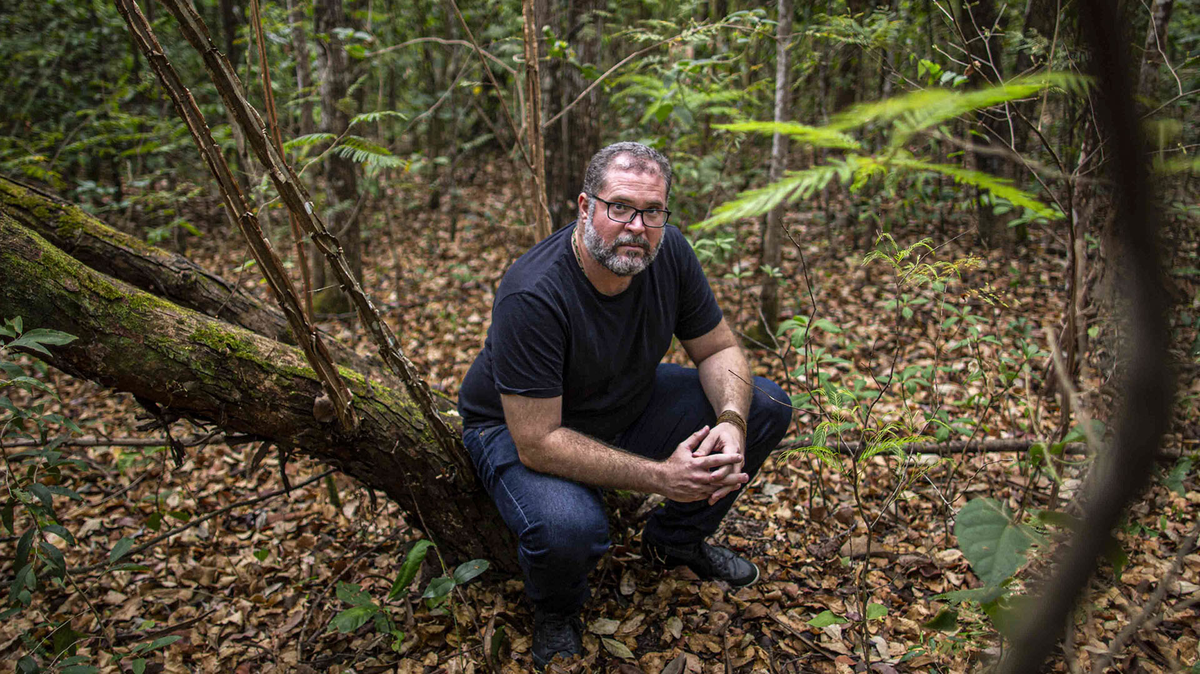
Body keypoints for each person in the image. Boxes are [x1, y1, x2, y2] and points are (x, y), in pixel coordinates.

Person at [457, 141, 791, 668]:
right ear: (587, 207)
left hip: (622, 396)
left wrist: (730, 420)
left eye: (652, 211)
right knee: (569, 528)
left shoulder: (670, 254)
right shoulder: (534, 293)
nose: (637, 226)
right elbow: (538, 442)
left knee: (765, 404)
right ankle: (556, 611)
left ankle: (674, 542)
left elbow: (720, 349)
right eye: (621, 208)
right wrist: (662, 476)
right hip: (518, 425)